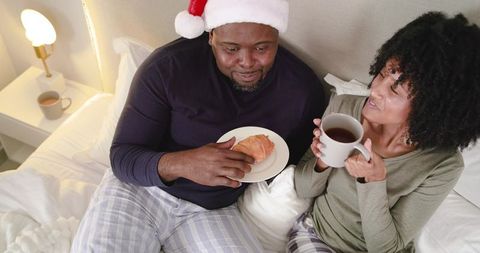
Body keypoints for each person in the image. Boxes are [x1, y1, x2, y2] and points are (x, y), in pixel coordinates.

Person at [72, 0, 326, 252]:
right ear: (211, 36)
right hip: (142, 190)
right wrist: (183, 164)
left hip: (214, 210)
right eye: (231, 48)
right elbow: (122, 157)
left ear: (276, 36)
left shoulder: (302, 90)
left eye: (262, 48)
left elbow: (286, 164)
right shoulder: (167, 68)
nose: (247, 62)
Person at [288, 11, 480, 253]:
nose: (376, 90)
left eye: (395, 91)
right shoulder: (343, 108)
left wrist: (374, 182)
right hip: (320, 237)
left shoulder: (443, 165)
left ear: (430, 109)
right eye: (382, 74)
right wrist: (323, 161)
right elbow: (303, 189)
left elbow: (386, 248)